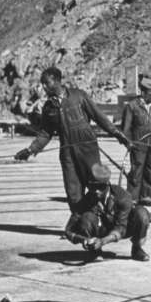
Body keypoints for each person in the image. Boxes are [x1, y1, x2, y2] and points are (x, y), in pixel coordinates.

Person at [14, 67, 131, 214]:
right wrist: (31, 149)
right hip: (67, 153)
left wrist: (118, 134)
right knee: (73, 190)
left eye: (47, 83)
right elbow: (45, 133)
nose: (43, 87)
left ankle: (109, 217)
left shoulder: (79, 96)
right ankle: (79, 224)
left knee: (98, 184)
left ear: (57, 81)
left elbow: (99, 117)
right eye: (42, 83)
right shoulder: (48, 107)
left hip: (88, 149)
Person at [63, 163, 150, 262]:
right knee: (86, 217)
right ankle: (94, 251)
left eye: (100, 187)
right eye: (92, 186)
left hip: (123, 227)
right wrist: (84, 240)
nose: (96, 191)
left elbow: (121, 227)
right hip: (102, 229)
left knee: (142, 213)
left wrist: (103, 241)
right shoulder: (86, 200)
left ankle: (137, 249)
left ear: (107, 184)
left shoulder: (123, 196)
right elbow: (68, 230)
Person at [120, 75, 151, 206]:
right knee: (136, 170)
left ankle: (146, 196)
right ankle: (133, 197)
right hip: (137, 144)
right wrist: (128, 142)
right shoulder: (132, 106)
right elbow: (125, 128)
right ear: (144, 92)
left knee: (150, 170)